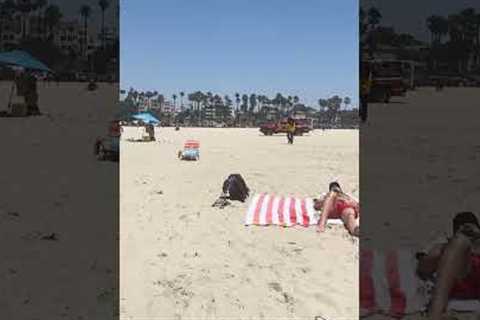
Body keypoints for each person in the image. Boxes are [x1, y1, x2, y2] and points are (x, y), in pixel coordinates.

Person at [416, 212, 480, 320]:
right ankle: (435, 315)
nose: (467, 232)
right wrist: (449, 248)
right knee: (460, 242)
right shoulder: (445, 247)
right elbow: (423, 268)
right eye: (463, 228)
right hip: (462, 273)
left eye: (470, 230)